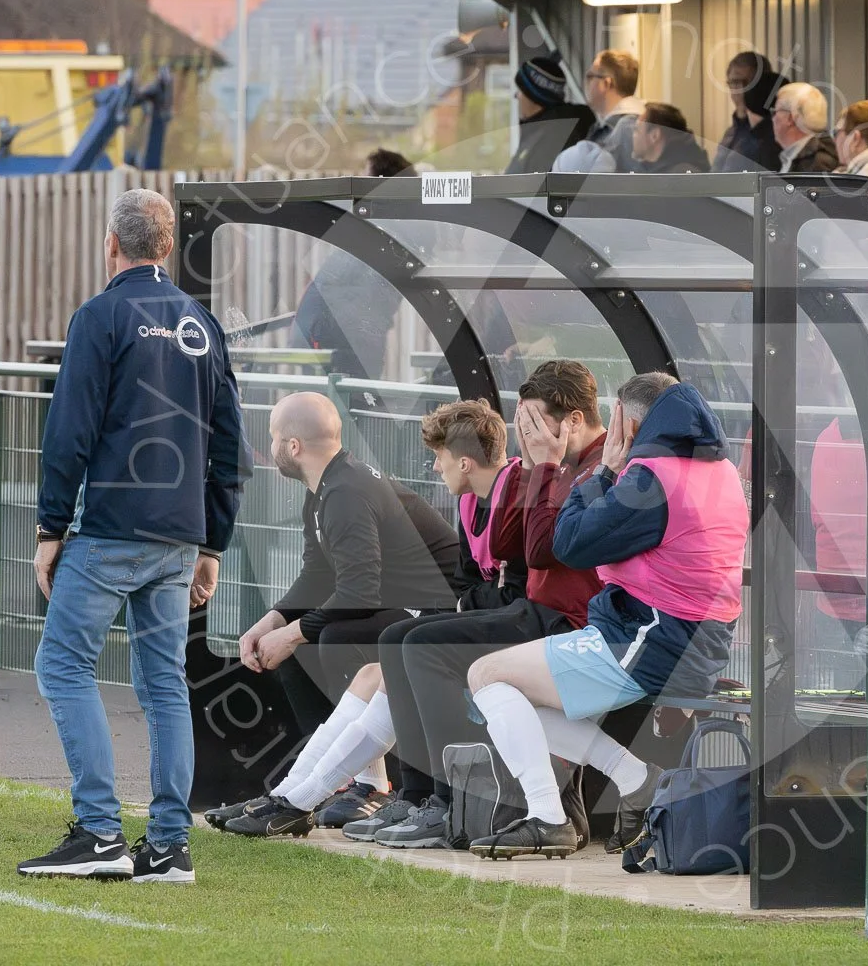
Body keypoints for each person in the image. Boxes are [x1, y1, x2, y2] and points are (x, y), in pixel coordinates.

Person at [18, 188, 251, 883]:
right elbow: (230, 444)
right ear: (168, 246)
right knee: (164, 685)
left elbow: (69, 431)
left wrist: (50, 526)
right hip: (179, 540)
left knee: (62, 666)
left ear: (111, 245)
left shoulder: (100, 316)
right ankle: (170, 846)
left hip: (112, 530)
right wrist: (212, 542)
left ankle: (98, 831)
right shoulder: (201, 323)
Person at [465, 373, 750, 859]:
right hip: (684, 641)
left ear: (629, 422)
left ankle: (549, 817)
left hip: (649, 640)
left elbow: (568, 542)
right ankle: (632, 779)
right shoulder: (715, 469)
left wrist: (603, 472)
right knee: (507, 691)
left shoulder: (651, 479)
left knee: (485, 676)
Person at [215, 399, 525, 836]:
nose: (270, 446)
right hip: (402, 606)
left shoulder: (346, 491)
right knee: (306, 649)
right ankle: (306, 790)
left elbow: (359, 591)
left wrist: (292, 634)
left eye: (272, 437)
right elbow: (319, 573)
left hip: (438, 606)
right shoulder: (326, 488)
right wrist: (272, 622)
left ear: (293, 444)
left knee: (334, 639)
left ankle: (368, 786)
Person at [354, 360, 609, 849]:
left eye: (536, 423)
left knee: (426, 646)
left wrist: (544, 465)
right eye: (525, 425)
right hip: (538, 612)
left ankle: (450, 802)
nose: (528, 435)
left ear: (573, 420)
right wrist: (538, 466)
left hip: (570, 622)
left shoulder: (599, 467)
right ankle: (419, 795)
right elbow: (514, 540)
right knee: (398, 637)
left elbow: (539, 551)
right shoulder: (556, 465)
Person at [291, 148, 414, 373]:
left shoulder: (382, 238)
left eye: (363, 182)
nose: (357, 196)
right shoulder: (375, 236)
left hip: (342, 350)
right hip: (336, 347)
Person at [505, 50, 597, 175]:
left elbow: (534, 188)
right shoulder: (541, 129)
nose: (516, 96)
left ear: (534, 96)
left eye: (520, 90)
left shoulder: (552, 137)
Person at [711, 51, 784, 172]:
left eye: (749, 83)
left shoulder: (776, 133)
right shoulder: (731, 132)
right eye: (734, 82)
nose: (741, 90)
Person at [580, 49, 645, 173]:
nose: (587, 83)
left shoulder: (628, 129)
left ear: (605, 83)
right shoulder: (611, 127)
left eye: (590, 76)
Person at [772, 83, 838, 174]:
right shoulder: (802, 158)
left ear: (790, 118)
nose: (773, 119)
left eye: (775, 112)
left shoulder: (818, 163)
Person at [630, 102, 711, 174]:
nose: (633, 135)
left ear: (654, 135)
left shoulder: (682, 177)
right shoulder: (656, 170)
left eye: (636, 130)